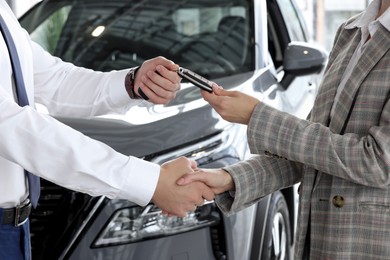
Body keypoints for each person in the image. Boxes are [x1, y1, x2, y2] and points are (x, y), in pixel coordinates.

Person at [0, 1, 213, 259]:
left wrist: (132, 83)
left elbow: (53, 79)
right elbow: (12, 126)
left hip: (16, 227)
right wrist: (150, 182)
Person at [178, 0, 390, 258]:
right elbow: (313, 151)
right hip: (320, 243)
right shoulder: (350, 32)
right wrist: (230, 178)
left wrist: (258, 116)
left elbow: (379, 162)